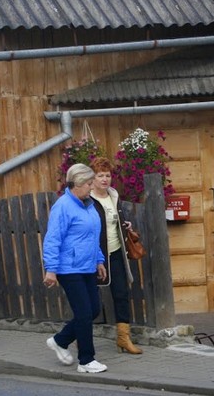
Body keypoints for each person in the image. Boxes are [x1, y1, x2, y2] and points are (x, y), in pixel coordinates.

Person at [42, 163, 108, 373]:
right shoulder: (63, 207)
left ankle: (60, 340)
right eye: (89, 183)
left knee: (93, 310)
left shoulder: (88, 204)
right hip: (69, 268)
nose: (92, 187)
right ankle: (86, 361)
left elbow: (92, 237)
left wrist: (99, 260)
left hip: (87, 266)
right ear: (78, 184)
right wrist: (51, 269)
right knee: (83, 313)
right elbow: (52, 239)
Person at [89, 156, 142, 355]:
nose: (105, 179)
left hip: (116, 252)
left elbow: (114, 219)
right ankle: (79, 335)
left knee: (121, 295)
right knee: (90, 299)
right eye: (100, 175)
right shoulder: (87, 200)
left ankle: (123, 338)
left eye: (108, 175)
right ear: (92, 179)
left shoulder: (113, 195)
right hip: (94, 256)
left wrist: (124, 223)